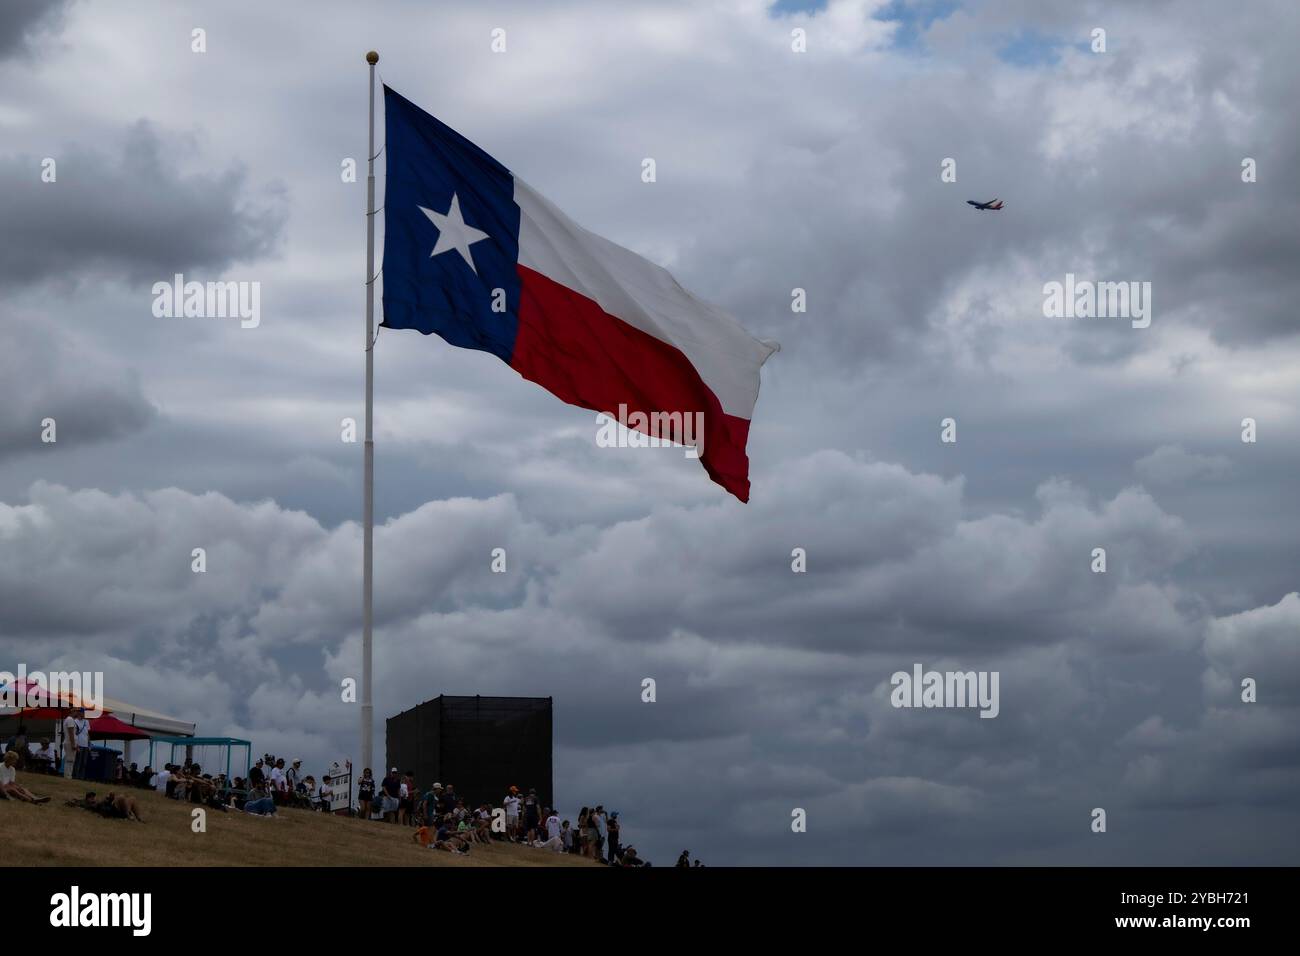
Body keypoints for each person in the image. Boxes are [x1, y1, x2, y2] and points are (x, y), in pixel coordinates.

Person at [63, 706, 89, 779]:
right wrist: (73, 744)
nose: (76, 713)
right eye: (75, 711)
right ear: (72, 711)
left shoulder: (68, 719)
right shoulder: (71, 720)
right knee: (70, 761)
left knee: (70, 760)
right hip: (70, 742)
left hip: (69, 742)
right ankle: (68, 776)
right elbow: (71, 733)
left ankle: (68, 775)